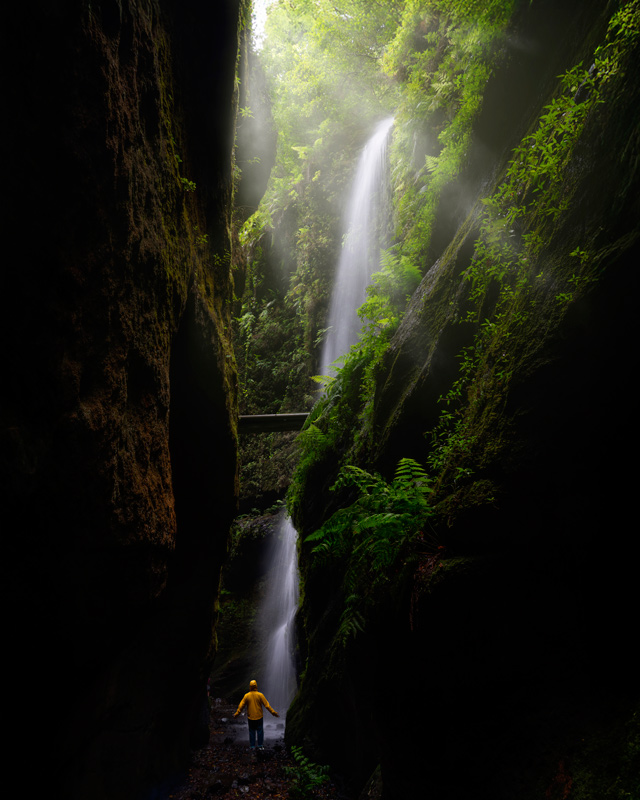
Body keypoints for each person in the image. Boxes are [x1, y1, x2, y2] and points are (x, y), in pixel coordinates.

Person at [233, 679, 279, 750]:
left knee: (252, 732)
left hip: (250, 717)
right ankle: (260, 746)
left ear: (250, 686)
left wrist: (236, 714)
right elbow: (267, 705)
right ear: (256, 686)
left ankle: (252, 746)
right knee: (260, 731)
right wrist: (273, 712)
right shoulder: (260, 695)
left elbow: (241, 706)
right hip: (259, 717)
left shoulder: (246, 696)